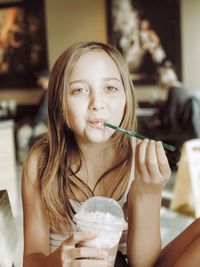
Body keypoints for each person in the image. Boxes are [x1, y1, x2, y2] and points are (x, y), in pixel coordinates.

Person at [21, 41, 198, 267]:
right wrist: (57, 261)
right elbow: (31, 261)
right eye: (79, 90)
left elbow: (144, 264)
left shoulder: (137, 157)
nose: (97, 104)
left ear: (126, 98)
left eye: (110, 88)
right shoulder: (41, 163)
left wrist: (148, 193)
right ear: (59, 105)